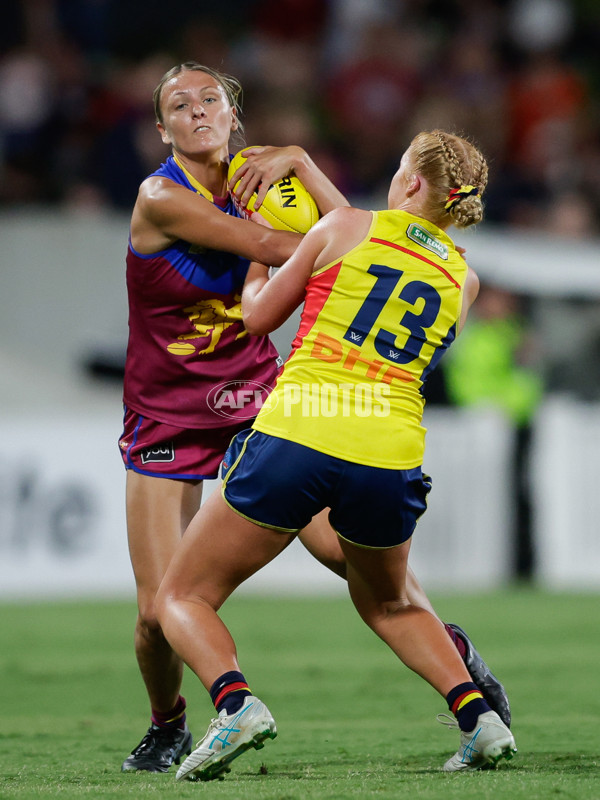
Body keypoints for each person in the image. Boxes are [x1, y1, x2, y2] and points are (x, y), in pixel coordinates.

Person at [118, 61, 510, 773]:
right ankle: (166, 722)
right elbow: (304, 244)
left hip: (263, 403)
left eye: (212, 99)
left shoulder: (278, 181)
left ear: (235, 116)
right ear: (162, 128)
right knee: (154, 614)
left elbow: (361, 236)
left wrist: (300, 162)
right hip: (169, 410)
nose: (198, 110)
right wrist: (310, 189)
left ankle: (451, 658)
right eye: (180, 104)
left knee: (348, 563)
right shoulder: (160, 194)